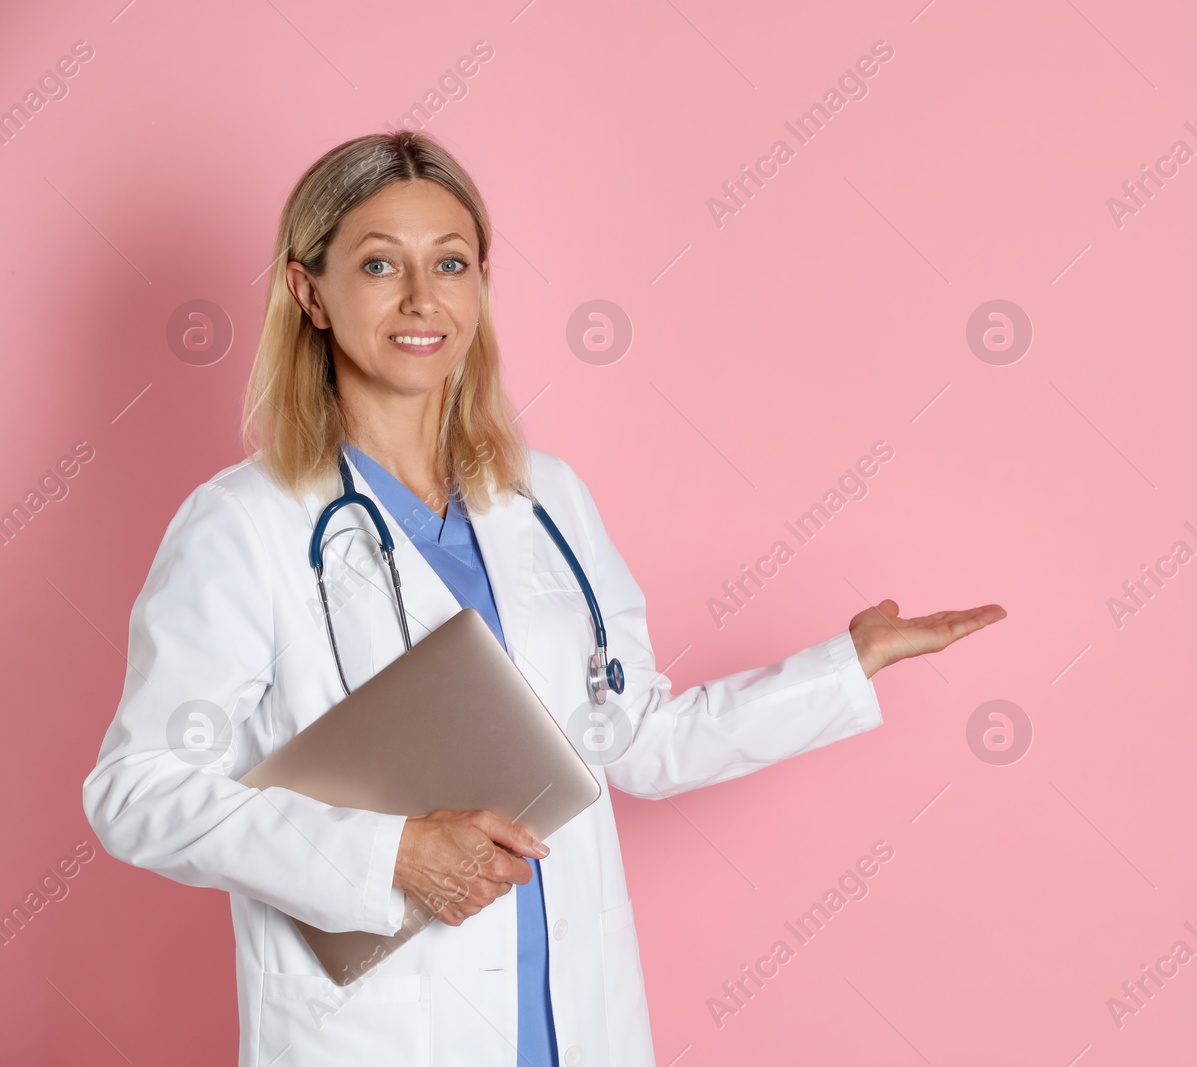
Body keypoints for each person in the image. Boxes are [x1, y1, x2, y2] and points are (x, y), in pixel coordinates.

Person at [80, 130, 1006, 1067]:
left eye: (451, 263)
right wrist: (388, 854)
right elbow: (136, 790)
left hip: (571, 1021)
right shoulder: (245, 523)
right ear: (307, 290)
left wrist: (848, 663)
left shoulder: (544, 497)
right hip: (382, 1032)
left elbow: (632, 740)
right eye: (377, 264)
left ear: (481, 284)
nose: (421, 299)